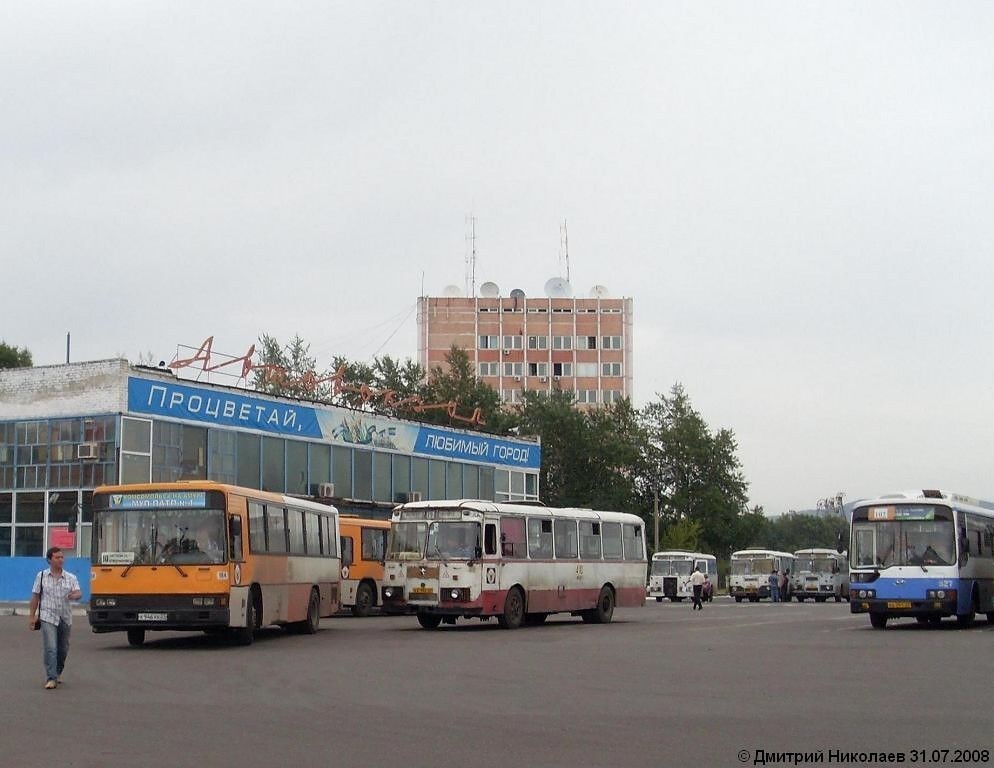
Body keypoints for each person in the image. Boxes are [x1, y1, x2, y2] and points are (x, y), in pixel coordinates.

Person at [29, 546, 82, 690]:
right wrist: (32, 616)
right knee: (50, 647)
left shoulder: (71, 577)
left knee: (63, 648)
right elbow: (35, 596)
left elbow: (78, 592)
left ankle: (58, 672)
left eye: (62, 557)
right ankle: (51, 677)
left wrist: (74, 595)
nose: (61, 560)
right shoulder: (41, 577)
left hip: (65, 617)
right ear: (49, 560)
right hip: (47, 616)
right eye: (57, 557)